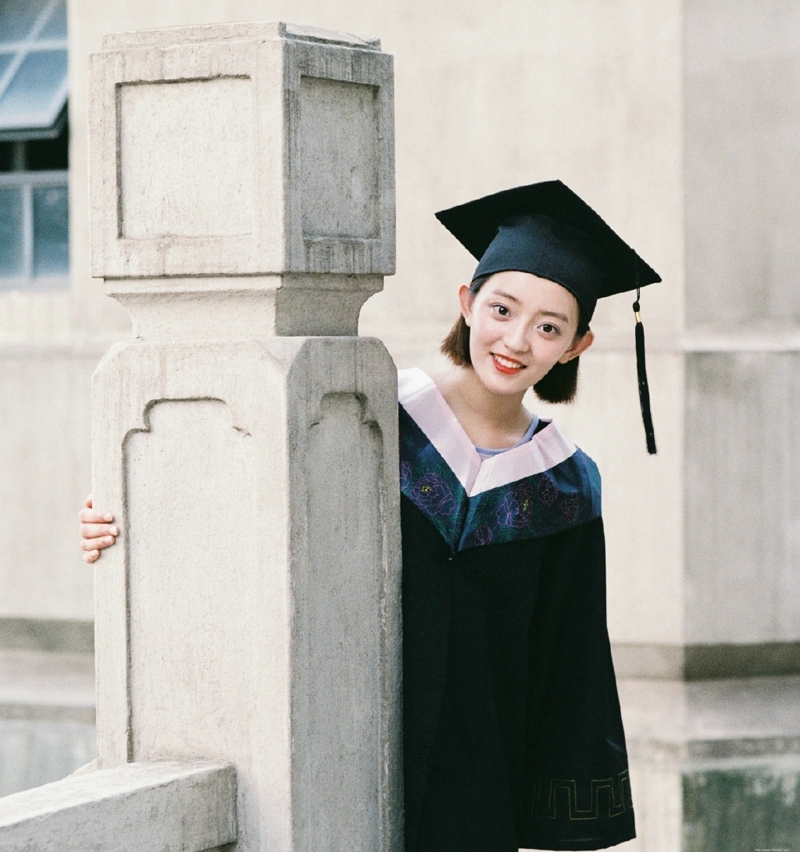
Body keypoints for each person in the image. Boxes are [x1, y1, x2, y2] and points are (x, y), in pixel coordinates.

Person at [80, 179, 659, 852]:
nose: (517, 340)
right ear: (468, 304)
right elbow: (247, 517)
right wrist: (121, 519)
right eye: (502, 309)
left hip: (475, 788)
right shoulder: (373, 415)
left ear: (576, 346)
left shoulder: (565, 485)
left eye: (549, 327)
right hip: (336, 749)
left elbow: (569, 661)